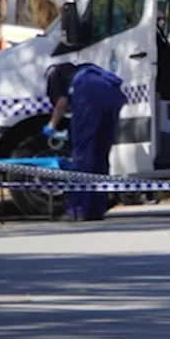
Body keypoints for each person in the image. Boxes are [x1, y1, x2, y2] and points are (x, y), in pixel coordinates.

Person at [43, 62, 128, 221]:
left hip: (89, 93)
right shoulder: (87, 70)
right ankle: (96, 208)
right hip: (113, 94)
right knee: (100, 153)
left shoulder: (57, 79)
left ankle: (78, 209)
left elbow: (61, 102)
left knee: (84, 155)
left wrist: (51, 126)